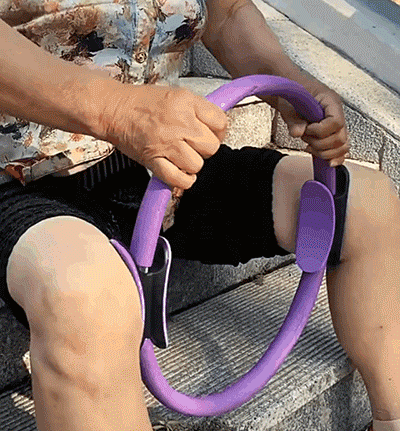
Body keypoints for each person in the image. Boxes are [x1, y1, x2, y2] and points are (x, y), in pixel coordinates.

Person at [0, 0, 399, 430]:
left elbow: (227, 13)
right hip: (20, 175)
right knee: (84, 297)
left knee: (366, 204)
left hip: (153, 167)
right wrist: (118, 112)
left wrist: (295, 86)